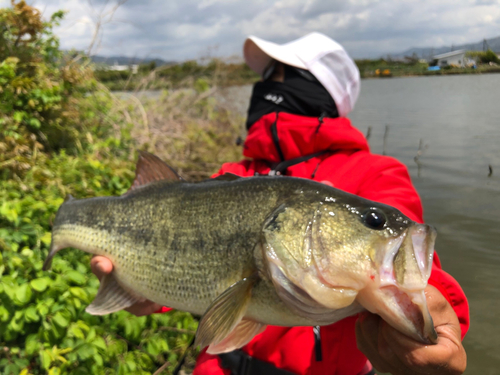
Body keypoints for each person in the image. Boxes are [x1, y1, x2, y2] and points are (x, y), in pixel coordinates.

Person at [91, 33, 468, 375]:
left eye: (278, 73)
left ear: (318, 87)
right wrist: (144, 294)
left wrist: (441, 308)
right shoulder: (235, 173)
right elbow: (195, 266)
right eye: (267, 73)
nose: (265, 83)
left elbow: (417, 272)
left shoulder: (375, 174)